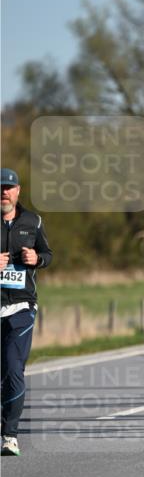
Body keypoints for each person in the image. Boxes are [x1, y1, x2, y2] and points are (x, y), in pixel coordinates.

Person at [1, 168, 53, 456]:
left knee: (12, 366)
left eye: (8, 187)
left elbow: (48, 254)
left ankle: (10, 435)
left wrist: (37, 259)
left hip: (22, 305)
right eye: (0, 188)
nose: (4, 192)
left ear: (18, 190)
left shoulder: (33, 221)